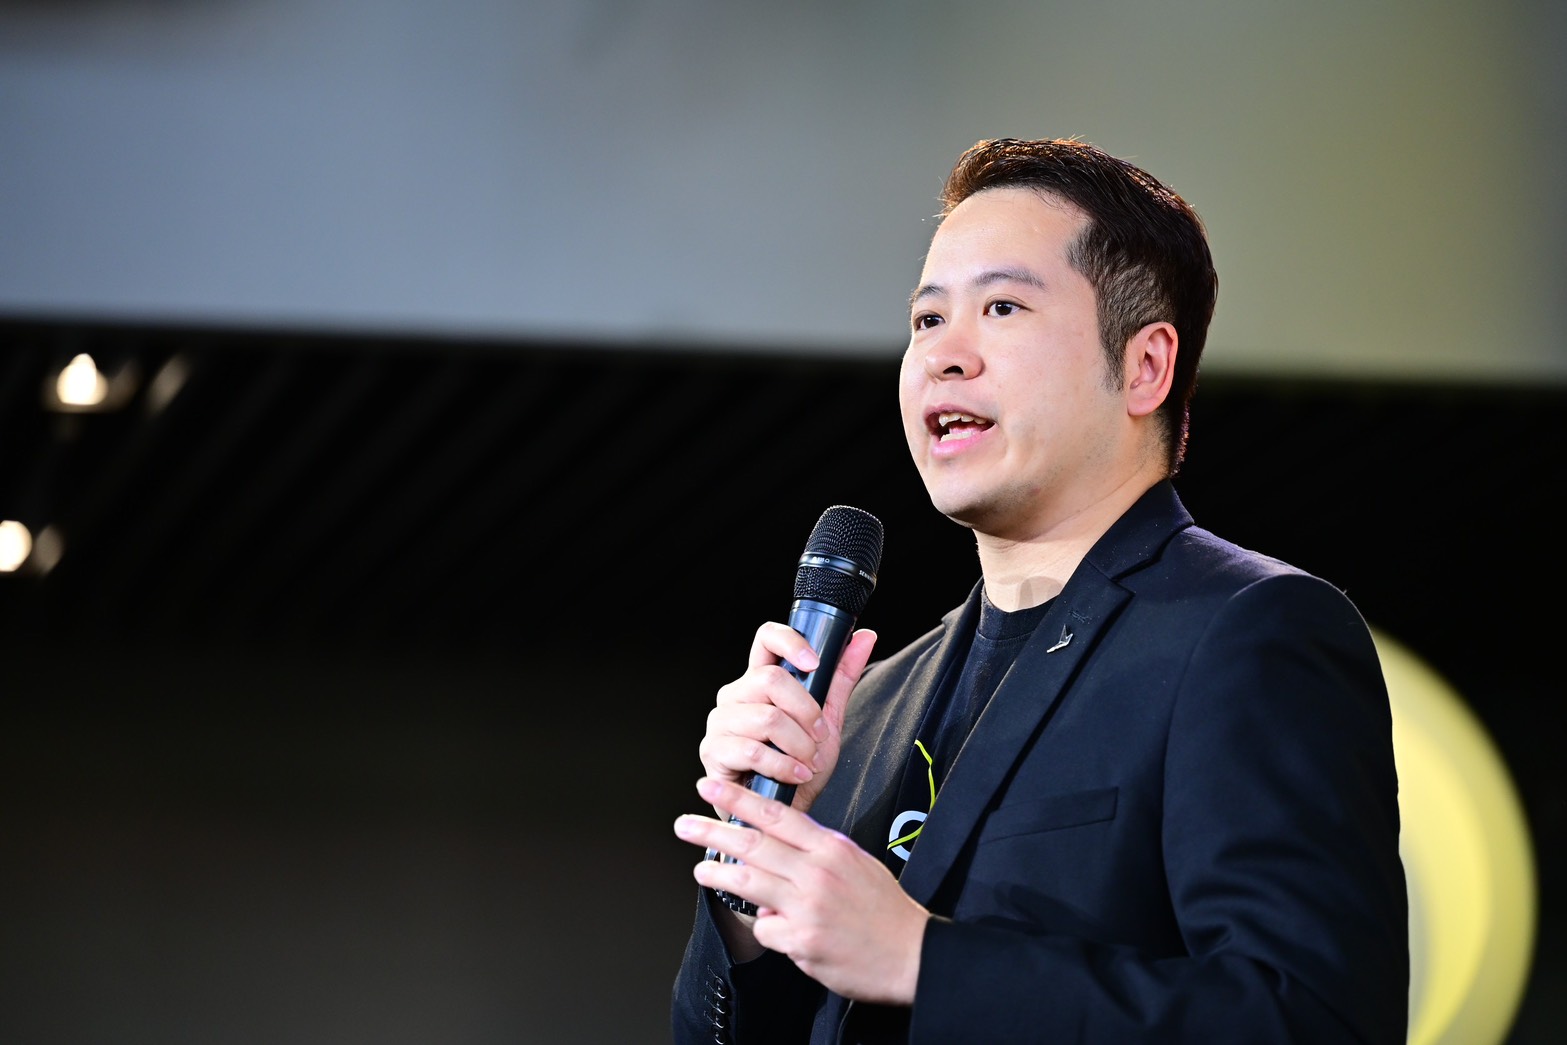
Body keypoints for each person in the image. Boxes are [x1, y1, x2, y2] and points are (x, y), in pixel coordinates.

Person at [670, 137, 1408, 1043]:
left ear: (1144, 366)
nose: (944, 355)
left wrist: (920, 957)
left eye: (1002, 307)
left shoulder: (1251, 632)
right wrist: (758, 844)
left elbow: (1311, 1018)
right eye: (926, 319)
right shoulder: (865, 703)